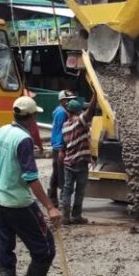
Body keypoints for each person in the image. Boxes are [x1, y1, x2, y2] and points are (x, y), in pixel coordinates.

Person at [0, 96, 63, 276]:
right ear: (32, 118)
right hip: (18, 202)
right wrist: (50, 207)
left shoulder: (3, 131)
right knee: (45, 247)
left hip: (0, 199)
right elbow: (30, 177)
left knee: (5, 244)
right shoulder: (23, 140)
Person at [60, 94, 96, 224]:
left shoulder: (65, 126)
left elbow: (65, 145)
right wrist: (95, 96)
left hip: (68, 163)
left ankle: (65, 217)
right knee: (80, 191)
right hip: (80, 162)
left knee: (67, 190)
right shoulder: (79, 122)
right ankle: (76, 216)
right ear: (77, 112)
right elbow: (90, 112)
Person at [48, 90, 76, 201]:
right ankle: (61, 199)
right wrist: (61, 148)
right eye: (68, 100)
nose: (70, 102)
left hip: (57, 146)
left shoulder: (59, 111)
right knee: (62, 174)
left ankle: (53, 197)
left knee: (56, 172)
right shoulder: (62, 113)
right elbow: (61, 131)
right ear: (62, 101)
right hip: (60, 147)